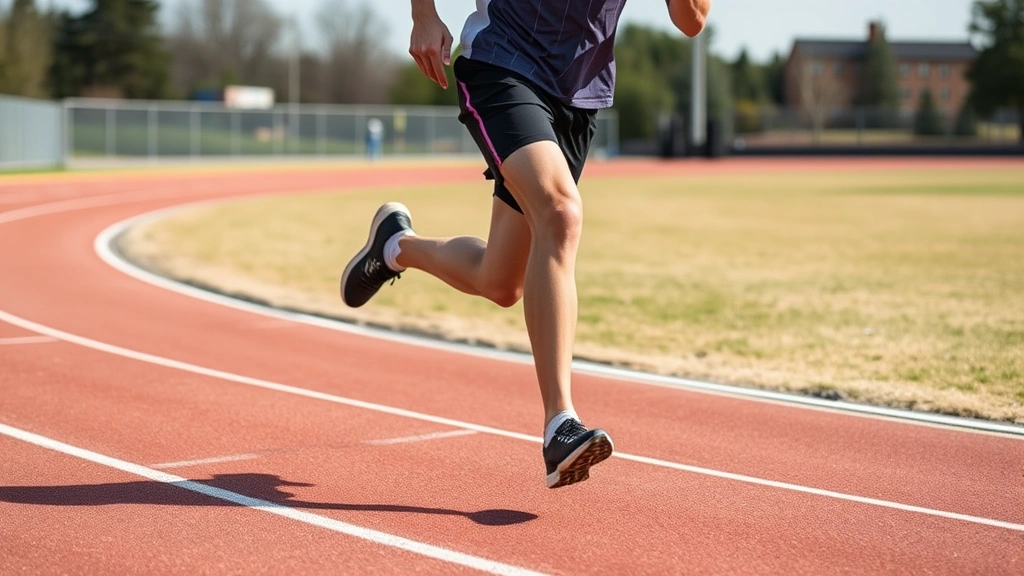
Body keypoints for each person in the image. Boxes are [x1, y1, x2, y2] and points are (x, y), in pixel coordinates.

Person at [341, 0, 711, 488]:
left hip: (579, 91)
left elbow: (692, 21)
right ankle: (560, 423)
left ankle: (395, 245)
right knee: (561, 212)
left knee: (500, 280)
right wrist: (423, 15)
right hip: (503, 58)